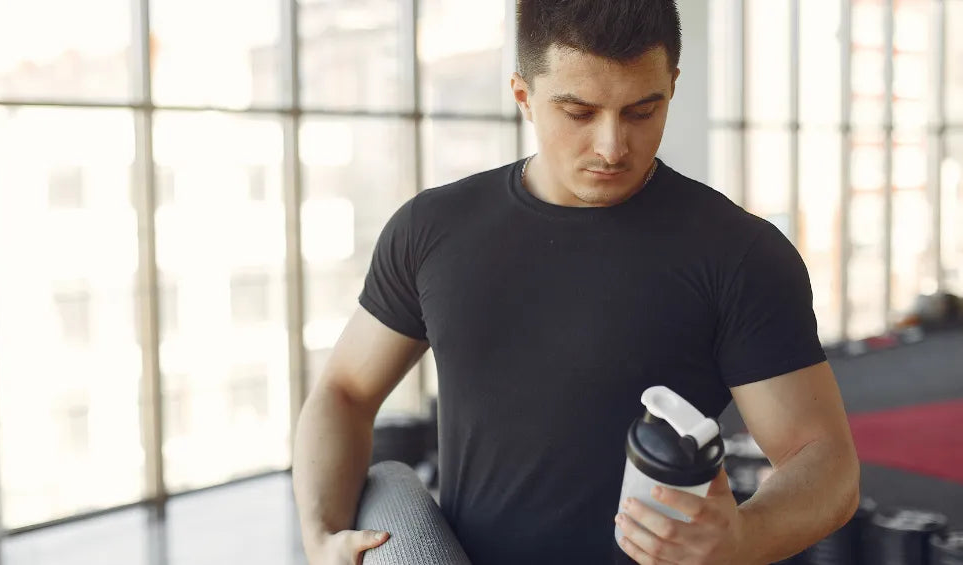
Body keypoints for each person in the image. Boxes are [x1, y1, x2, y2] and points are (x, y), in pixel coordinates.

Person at [292, 1, 861, 563]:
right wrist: (320, 535)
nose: (612, 147)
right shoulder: (431, 229)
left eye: (642, 111)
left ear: (672, 86)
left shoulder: (741, 255)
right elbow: (344, 390)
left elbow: (825, 461)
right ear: (524, 97)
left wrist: (743, 536)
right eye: (579, 112)